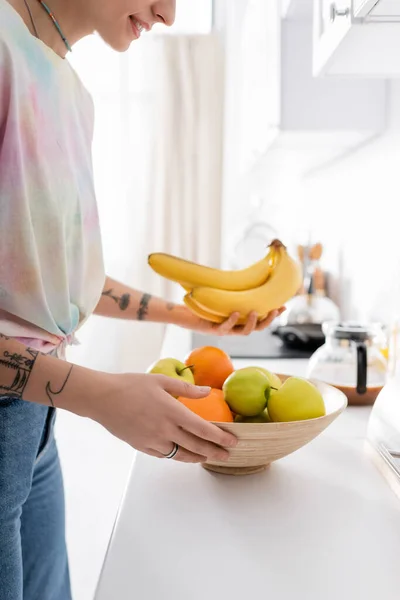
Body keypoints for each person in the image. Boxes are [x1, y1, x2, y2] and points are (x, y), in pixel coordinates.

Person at [0, 1, 282, 598]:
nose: (169, 12)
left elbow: (56, 276)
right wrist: (98, 395)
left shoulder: (73, 92)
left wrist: (192, 315)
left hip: (35, 422)